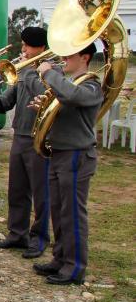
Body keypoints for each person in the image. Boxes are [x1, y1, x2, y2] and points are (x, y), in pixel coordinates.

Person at [30, 42, 101, 285]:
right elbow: (65, 104)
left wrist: (49, 72)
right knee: (59, 211)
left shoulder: (91, 84)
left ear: (85, 57)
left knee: (72, 212)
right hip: (59, 152)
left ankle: (75, 267)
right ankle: (60, 258)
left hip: (76, 154)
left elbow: (72, 96)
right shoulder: (70, 85)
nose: (64, 59)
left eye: (70, 55)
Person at [0, 27, 51, 257]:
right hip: (20, 134)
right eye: (23, 45)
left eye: (27, 46)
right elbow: (7, 101)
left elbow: (45, 96)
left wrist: (33, 73)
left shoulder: (49, 71)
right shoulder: (22, 72)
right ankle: (17, 233)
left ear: (41, 48)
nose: (23, 50)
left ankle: (39, 238)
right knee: (17, 188)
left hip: (39, 136)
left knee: (40, 190)